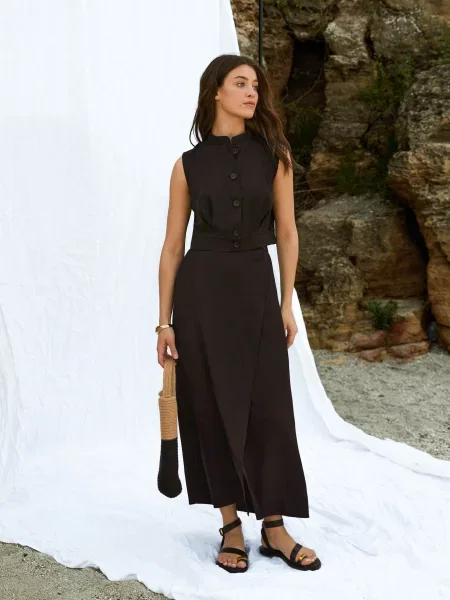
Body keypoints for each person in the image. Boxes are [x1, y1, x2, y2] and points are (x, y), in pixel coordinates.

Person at [156, 54, 321, 574]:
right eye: (241, 83)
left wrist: (286, 303)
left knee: (268, 406)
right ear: (216, 93)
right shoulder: (187, 165)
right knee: (209, 405)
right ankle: (230, 525)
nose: (252, 93)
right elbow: (172, 247)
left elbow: (288, 232)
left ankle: (274, 526)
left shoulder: (275, 156)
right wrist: (164, 322)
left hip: (255, 287)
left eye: (256, 85)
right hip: (201, 295)